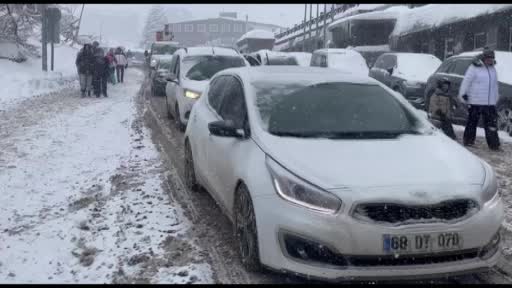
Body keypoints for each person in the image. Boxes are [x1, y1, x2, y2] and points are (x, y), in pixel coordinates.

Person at [458, 47, 500, 151]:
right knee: (472, 122)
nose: (490, 60)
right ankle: (468, 141)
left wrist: (496, 97)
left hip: (489, 102)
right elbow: (466, 81)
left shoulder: (492, 68)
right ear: (484, 57)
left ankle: (494, 145)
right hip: (475, 100)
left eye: (492, 58)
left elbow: (494, 85)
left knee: (491, 124)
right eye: (488, 58)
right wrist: (463, 93)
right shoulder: (474, 67)